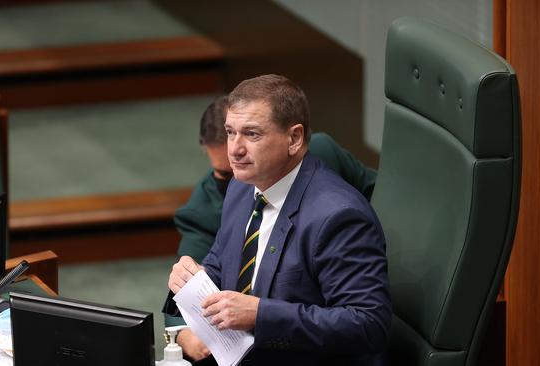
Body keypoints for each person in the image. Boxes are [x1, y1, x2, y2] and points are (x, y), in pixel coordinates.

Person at [165, 75, 391, 365]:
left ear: (294, 138)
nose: (235, 149)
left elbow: (368, 324)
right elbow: (223, 262)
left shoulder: (339, 216)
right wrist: (194, 277)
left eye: (252, 134)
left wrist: (261, 315)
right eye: (231, 132)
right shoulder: (242, 186)